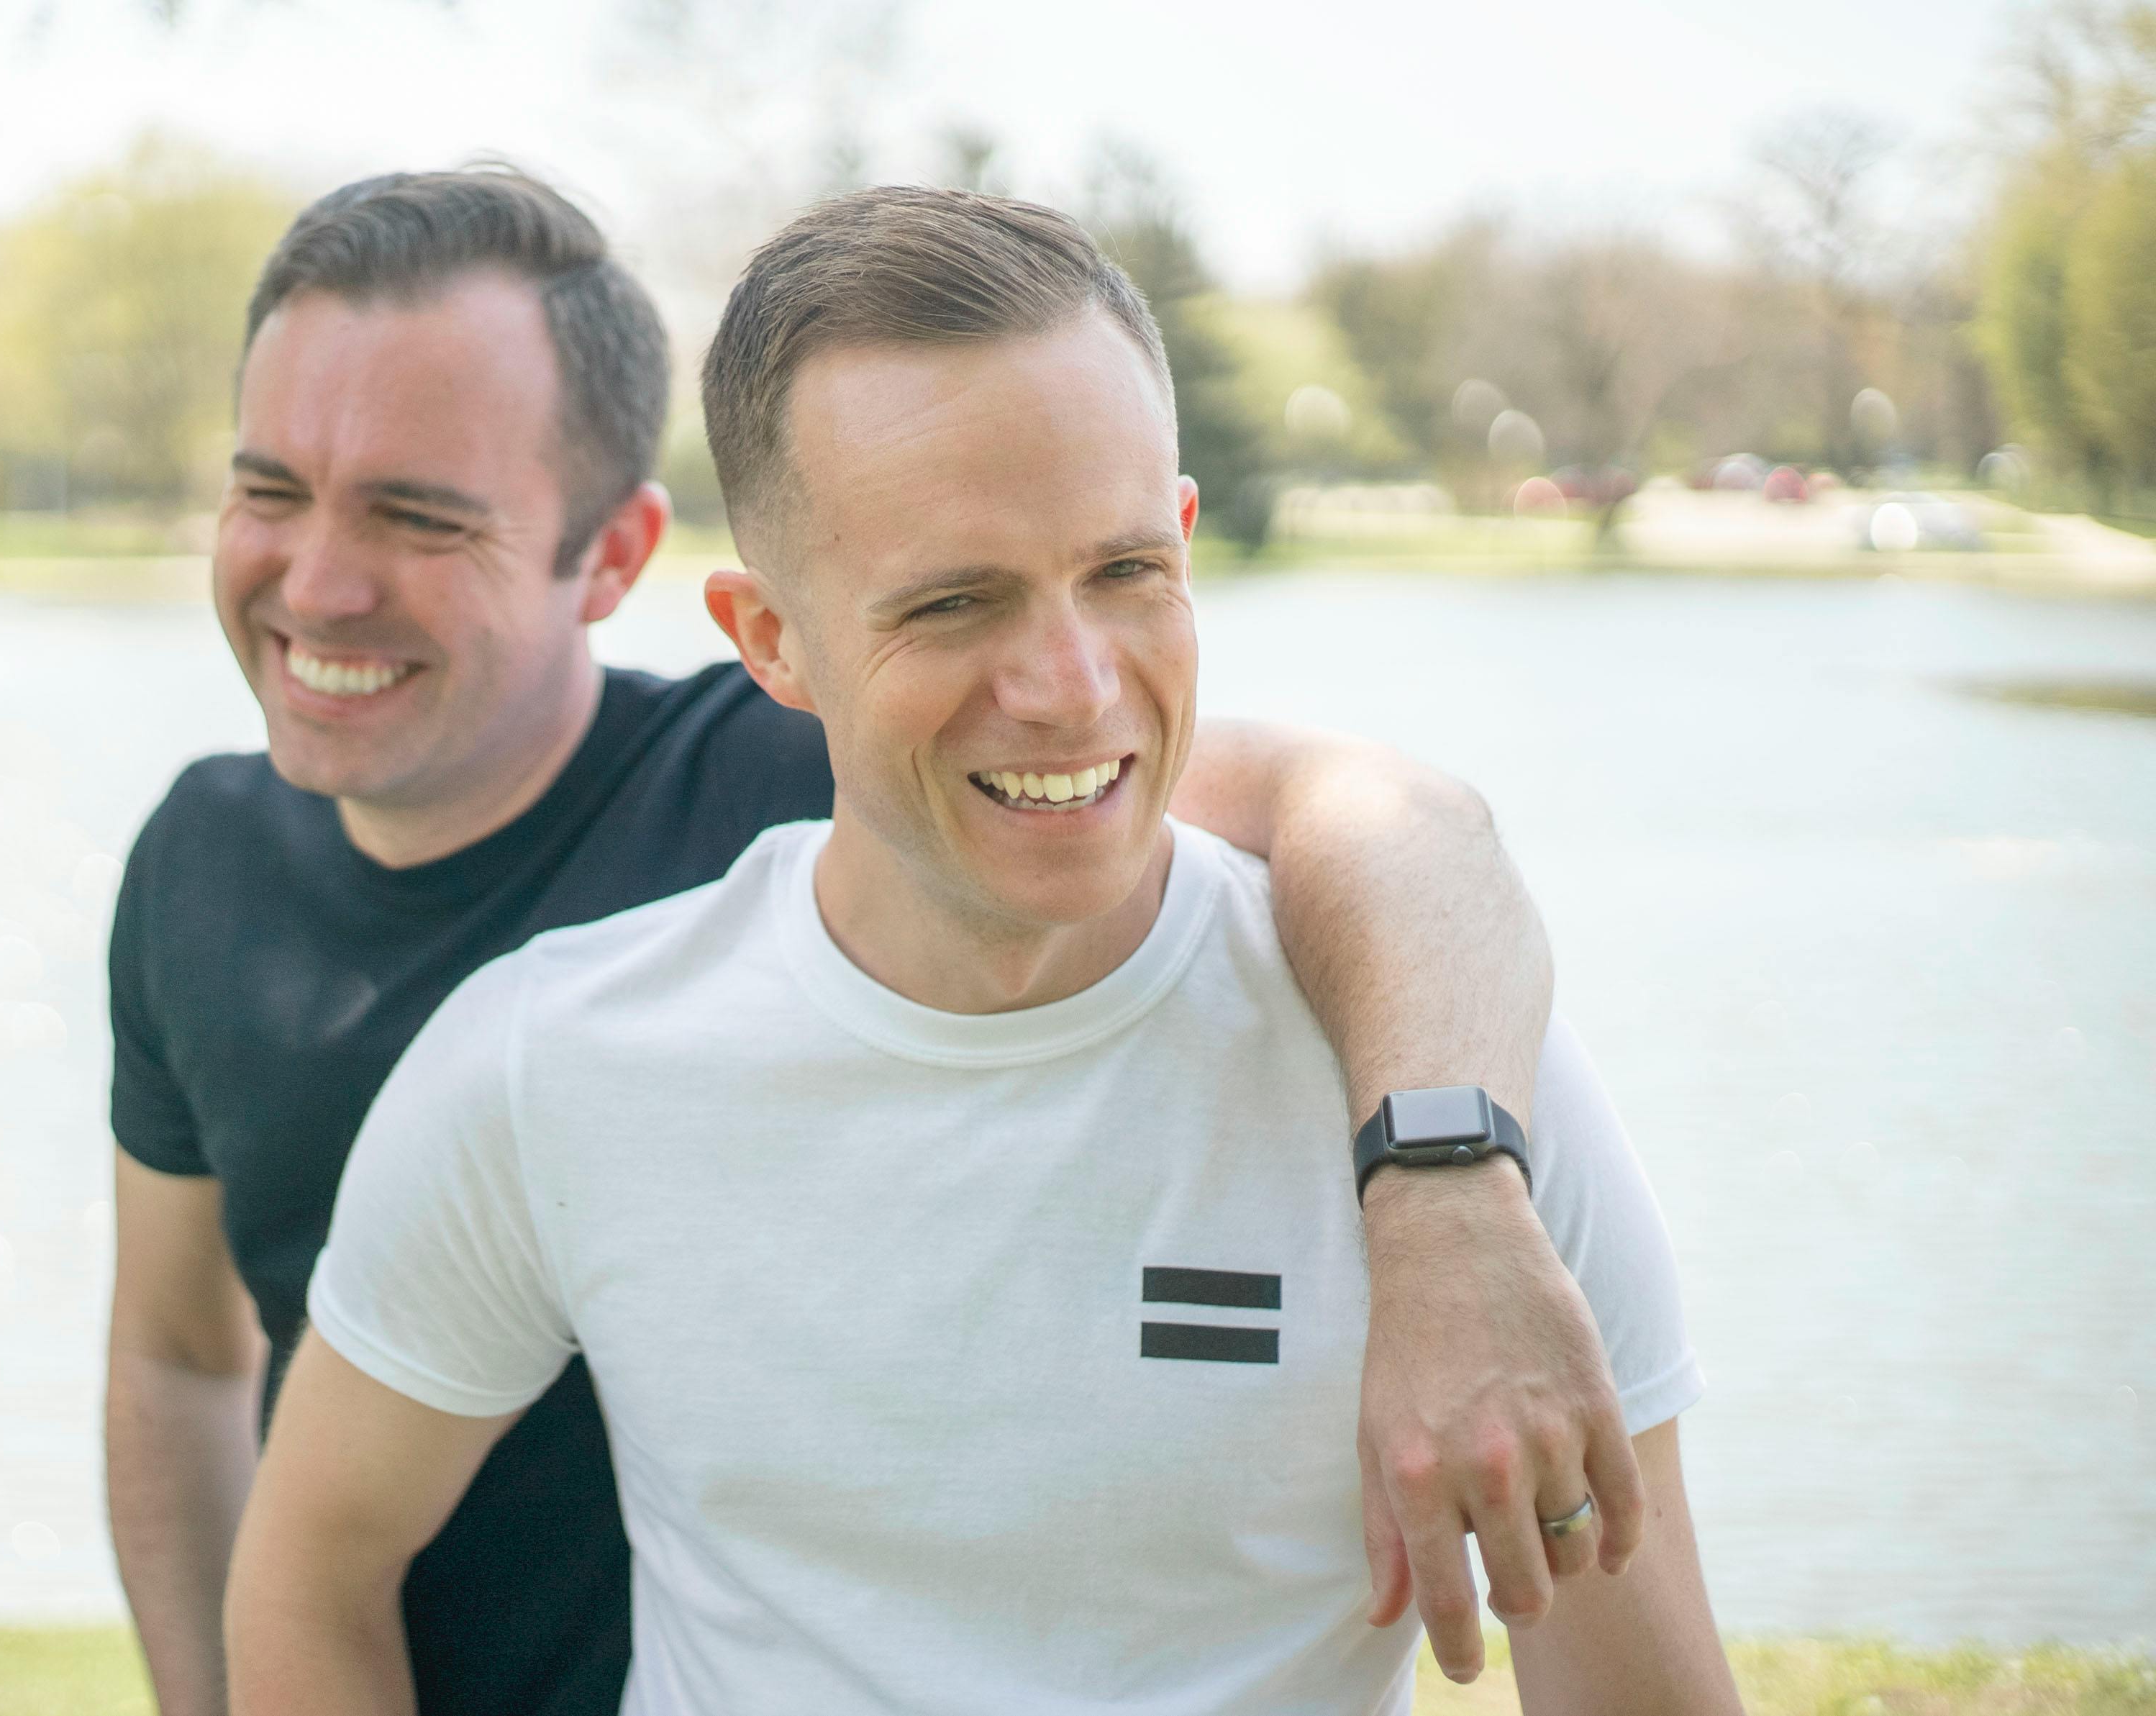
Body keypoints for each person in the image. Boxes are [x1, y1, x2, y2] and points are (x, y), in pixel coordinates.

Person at [111, 171, 1647, 1716]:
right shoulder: (370, 956)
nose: (1061, 686)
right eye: (952, 604)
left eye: (1123, 570)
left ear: (610, 560)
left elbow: (1377, 814)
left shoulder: (1426, 1066)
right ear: (774, 642)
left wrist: (1447, 1186)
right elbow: (215, 1416)